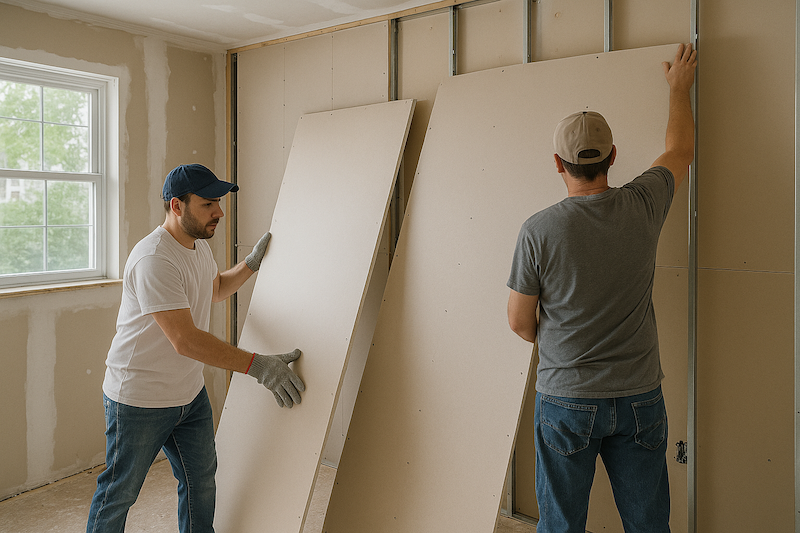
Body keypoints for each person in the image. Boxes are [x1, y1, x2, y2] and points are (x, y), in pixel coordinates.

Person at [506, 43, 697, 532]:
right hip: (639, 400)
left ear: (557, 162)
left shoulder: (538, 230)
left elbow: (520, 323)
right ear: (613, 156)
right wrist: (679, 89)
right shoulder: (644, 203)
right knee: (649, 524)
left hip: (565, 400)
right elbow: (680, 151)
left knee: (561, 526)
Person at [86, 163, 305, 533]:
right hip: (139, 399)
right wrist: (258, 366)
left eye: (218, 202)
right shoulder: (154, 258)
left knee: (201, 481)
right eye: (208, 204)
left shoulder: (197, 247)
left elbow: (214, 288)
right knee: (119, 492)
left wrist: (250, 265)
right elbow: (185, 339)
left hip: (188, 394)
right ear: (177, 206)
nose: (219, 212)